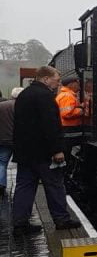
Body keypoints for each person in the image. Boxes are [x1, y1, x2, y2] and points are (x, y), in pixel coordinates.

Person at [11, 66, 81, 233]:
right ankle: (62, 220)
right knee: (55, 185)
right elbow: (51, 126)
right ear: (45, 79)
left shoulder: (24, 95)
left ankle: (20, 224)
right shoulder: (45, 96)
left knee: (24, 187)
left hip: (25, 153)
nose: (58, 83)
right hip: (44, 153)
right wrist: (57, 150)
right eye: (56, 80)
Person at [0, 87, 20, 201]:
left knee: (2, 163)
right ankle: (19, 188)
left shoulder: (2, 106)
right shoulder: (23, 107)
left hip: (3, 139)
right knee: (22, 165)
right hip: (19, 141)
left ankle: (1, 185)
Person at [56, 73, 85, 147]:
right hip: (68, 129)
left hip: (66, 129)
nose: (79, 85)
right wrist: (81, 110)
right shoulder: (68, 96)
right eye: (77, 83)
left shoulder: (65, 95)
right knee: (66, 150)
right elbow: (66, 113)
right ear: (71, 84)